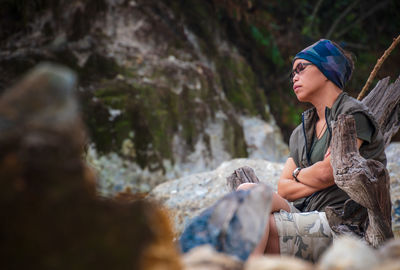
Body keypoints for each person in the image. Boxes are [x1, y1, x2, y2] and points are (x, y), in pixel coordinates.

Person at [237, 39, 386, 262]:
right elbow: (283, 188)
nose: (294, 77)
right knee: (247, 191)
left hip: (340, 222)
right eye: (292, 73)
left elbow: (328, 173)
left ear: (327, 70)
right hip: (305, 214)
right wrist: (313, 173)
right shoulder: (301, 131)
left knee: (261, 227)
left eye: (301, 68)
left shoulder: (352, 115)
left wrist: (299, 174)